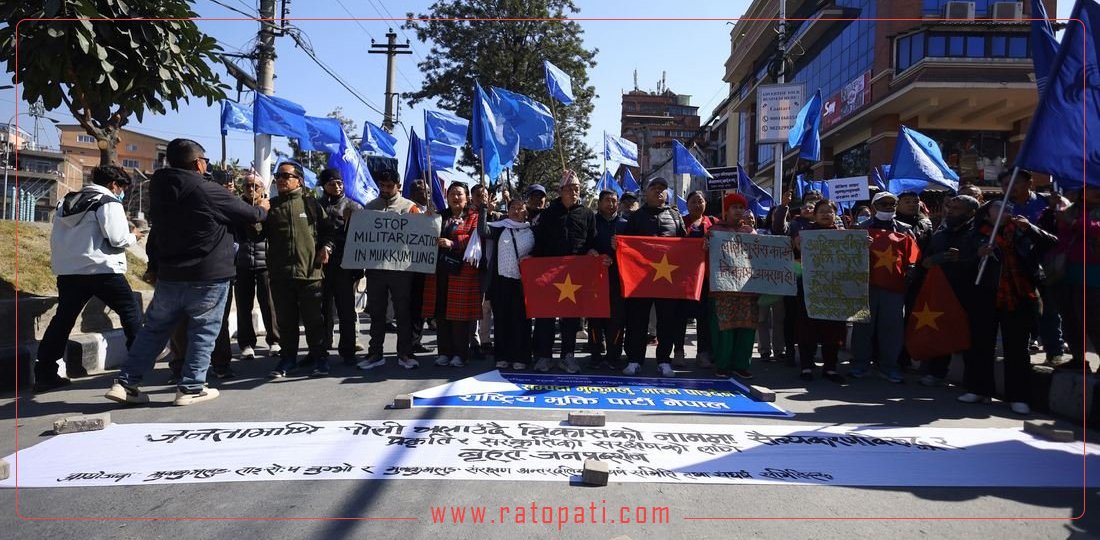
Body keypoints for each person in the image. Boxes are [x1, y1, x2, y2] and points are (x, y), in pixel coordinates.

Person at [106, 139, 268, 406]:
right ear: (198, 162)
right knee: (204, 332)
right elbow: (250, 214)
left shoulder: (158, 188)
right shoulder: (206, 190)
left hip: (170, 274)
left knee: (154, 331)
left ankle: (126, 383)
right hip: (208, 274)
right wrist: (263, 208)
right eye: (204, 159)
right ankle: (191, 387)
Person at [35, 165, 143, 392]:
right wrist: (133, 237)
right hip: (103, 269)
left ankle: (44, 373)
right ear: (114, 185)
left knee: (62, 320)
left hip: (69, 271)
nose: (121, 193)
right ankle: (137, 368)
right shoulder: (108, 201)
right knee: (131, 313)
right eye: (121, 188)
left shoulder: (67, 201)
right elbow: (117, 239)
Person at [959, 200, 1057, 414]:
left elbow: (1051, 243)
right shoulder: (975, 235)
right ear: (987, 215)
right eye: (1000, 208)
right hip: (984, 293)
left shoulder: (1021, 231)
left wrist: (1030, 228)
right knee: (981, 343)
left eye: (1010, 209)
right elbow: (962, 262)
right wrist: (978, 255)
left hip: (1017, 294)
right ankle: (978, 389)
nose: (1007, 212)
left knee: (1017, 347)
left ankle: (1018, 396)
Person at [263, 161, 336, 378]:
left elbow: (328, 231)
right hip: (280, 274)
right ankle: (288, 360)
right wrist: (256, 209)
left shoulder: (312, 205)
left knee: (314, 320)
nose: (281, 180)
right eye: (278, 176)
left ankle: (320, 358)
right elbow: (255, 234)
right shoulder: (271, 206)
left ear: (299, 181)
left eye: (286, 176)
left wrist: (327, 248)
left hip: (310, 273)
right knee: (286, 322)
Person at [530, 171, 603, 373]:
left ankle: (567, 356)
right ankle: (544, 355)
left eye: (577, 188)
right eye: (569, 189)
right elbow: (540, 242)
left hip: (575, 274)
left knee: (571, 319)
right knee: (546, 317)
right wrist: (532, 260)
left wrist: (593, 250)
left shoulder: (588, 214)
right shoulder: (548, 213)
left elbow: (592, 240)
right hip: (550, 273)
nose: (574, 192)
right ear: (560, 191)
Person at [847, 191, 918, 383]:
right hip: (865, 285)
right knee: (863, 327)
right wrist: (856, 243)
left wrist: (910, 269)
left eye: (892, 204)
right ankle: (860, 363)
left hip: (894, 286)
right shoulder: (860, 228)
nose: (888, 208)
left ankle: (889, 366)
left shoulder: (905, 229)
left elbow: (913, 254)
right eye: (884, 204)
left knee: (892, 328)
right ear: (873, 207)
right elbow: (847, 255)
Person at [621, 176, 687, 378]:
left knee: (667, 321)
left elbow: (686, 245)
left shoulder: (676, 216)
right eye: (654, 188)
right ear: (646, 193)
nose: (659, 191)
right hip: (640, 280)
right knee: (637, 321)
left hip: (668, 280)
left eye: (663, 188)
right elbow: (627, 246)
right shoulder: (636, 216)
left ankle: (664, 361)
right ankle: (634, 360)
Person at [359, 169, 421, 370]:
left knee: (403, 312)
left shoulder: (410, 208)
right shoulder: (369, 208)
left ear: (398, 186)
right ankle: (375, 353)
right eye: (382, 186)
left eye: (389, 186)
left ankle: (405, 353)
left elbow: (420, 237)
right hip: (376, 269)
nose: (385, 190)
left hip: (402, 270)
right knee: (377, 313)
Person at [917, 194, 981, 386]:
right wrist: (935, 260)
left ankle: (973, 383)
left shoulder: (978, 232)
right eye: (950, 207)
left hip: (970, 291)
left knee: (969, 335)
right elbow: (926, 260)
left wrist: (964, 257)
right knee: (941, 329)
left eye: (956, 208)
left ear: (971, 212)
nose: (950, 211)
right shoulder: (941, 231)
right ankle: (936, 372)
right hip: (942, 289)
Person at [425, 183, 482, 367]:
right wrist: (426, 220)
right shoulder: (440, 216)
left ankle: (460, 354)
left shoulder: (473, 218)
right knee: (441, 312)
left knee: (459, 315)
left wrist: (453, 243)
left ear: (467, 198)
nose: (455, 198)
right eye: (452, 194)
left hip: (462, 272)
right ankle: (444, 352)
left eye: (459, 194)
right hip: (440, 271)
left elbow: (475, 238)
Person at [792, 199, 847, 384]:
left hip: (835, 290)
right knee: (808, 328)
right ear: (814, 215)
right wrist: (797, 244)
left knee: (833, 329)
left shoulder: (844, 236)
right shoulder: (805, 234)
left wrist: (862, 244)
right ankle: (806, 366)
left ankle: (830, 368)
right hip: (810, 288)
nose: (826, 214)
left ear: (835, 215)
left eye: (829, 212)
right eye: (822, 211)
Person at [706, 194, 759, 379]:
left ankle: (741, 364)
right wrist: (705, 247)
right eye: (734, 207)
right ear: (726, 210)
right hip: (723, 289)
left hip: (747, 287)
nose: (738, 210)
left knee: (746, 327)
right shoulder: (714, 231)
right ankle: (723, 364)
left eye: (741, 207)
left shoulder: (751, 233)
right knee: (724, 328)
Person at [316, 167, 364, 365]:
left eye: (339, 183)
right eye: (331, 183)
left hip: (345, 266)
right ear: (324, 186)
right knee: (323, 308)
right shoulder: (316, 206)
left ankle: (348, 350)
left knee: (346, 310)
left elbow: (362, 238)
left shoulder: (354, 207)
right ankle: (323, 346)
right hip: (321, 265)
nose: (336, 187)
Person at [771, 189, 823, 366]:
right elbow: (778, 229)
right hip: (795, 275)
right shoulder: (794, 224)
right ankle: (790, 351)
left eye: (815, 203)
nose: (811, 206)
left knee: (814, 315)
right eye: (808, 202)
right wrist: (784, 206)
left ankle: (810, 352)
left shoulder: (827, 224)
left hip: (818, 278)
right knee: (791, 315)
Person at [234, 173, 280, 360]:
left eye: (255, 186)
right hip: (242, 262)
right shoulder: (236, 206)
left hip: (265, 263)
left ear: (263, 188)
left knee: (269, 304)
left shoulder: (271, 207)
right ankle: (246, 344)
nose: (251, 190)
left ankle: (275, 340)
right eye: (247, 186)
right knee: (243, 305)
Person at [1053, 188, 1099, 373]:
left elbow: (1095, 228)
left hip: (1094, 274)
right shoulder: (1070, 209)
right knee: (1070, 317)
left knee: (1094, 319)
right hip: (1068, 271)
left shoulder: (1072, 216)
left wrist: (1073, 223)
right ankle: (1078, 358)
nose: (1097, 191)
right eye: (1093, 188)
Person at [486, 198, 536, 370]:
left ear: (526, 212)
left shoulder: (532, 231)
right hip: (501, 281)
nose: (516, 211)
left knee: (521, 321)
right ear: (507, 211)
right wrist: (486, 210)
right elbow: (482, 230)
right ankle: (502, 356)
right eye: (512, 208)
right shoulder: (499, 228)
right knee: (501, 320)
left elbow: (541, 250)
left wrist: (532, 257)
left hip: (523, 283)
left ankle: (521, 356)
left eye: (520, 208)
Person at [677, 190, 718, 368]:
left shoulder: (714, 223)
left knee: (704, 318)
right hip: (682, 278)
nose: (697, 204)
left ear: (705, 204)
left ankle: (703, 353)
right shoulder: (680, 221)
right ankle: (678, 351)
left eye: (700, 201)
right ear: (687, 204)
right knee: (679, 317)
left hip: (705, 278)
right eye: (693, 201)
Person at [589, 189, 628, 370]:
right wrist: (591, 253)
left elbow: (634, 252)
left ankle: (613, 355)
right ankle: (595, 355)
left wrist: (621, 249)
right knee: (595, 317)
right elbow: (583, 244)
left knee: (617, 318)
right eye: (607, 200)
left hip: (618, 279)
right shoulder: (591, 222)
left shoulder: (625, 225)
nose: (611, 204)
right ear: (599, 203)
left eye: (614, 200)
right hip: (594, 279)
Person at [470, 183, 500, 360]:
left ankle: (486, 340)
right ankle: (473, 341)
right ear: (472, 198)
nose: (482, 199)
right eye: (478, 196)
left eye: (485, 196)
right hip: (473, 265)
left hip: (491, 267)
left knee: (487, 306)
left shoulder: (495, 216)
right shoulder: (469, 216)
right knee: (475, 306)